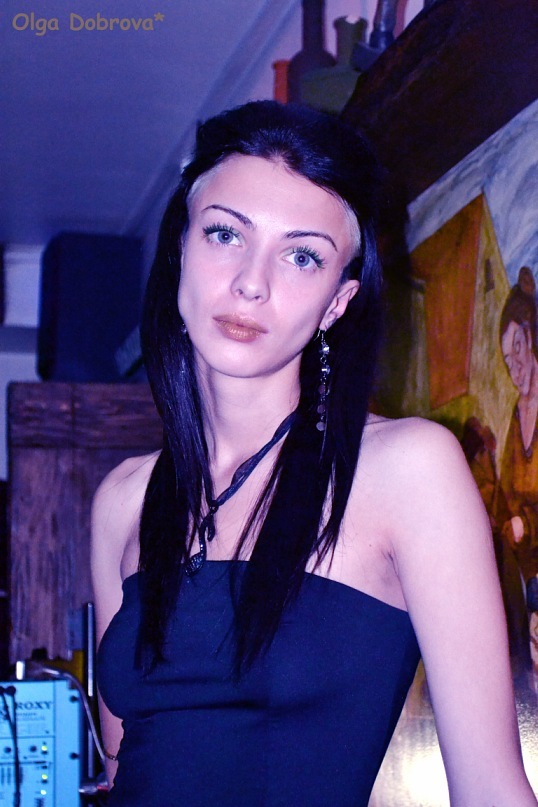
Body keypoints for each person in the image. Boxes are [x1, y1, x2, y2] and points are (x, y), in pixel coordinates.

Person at [92, 101, 537, 806]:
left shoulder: (406, 470)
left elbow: (490, 791)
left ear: (338, 302)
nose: (252, 281)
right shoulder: (124, 499)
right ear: (179, 249)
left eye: (302, 256)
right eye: (225, 234)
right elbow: (126, 770)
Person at [500, 266, 538, 679]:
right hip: (529, 566)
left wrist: (527, 522)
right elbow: (508, 489)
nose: (515, 368)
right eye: (507, 360)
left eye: (518, 349)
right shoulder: (516, 414)